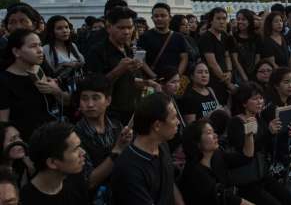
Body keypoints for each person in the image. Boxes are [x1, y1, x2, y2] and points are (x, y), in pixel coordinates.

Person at [227, 84, 291, 205]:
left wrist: (288, 135)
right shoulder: (236, 122)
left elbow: (269, 147)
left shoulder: (260, 119)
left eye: (261, 98)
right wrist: (269, 133)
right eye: (255, 99)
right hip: (247, 180)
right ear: (244, 103)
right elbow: (246, 154)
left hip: (263, 174)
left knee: (290, 199)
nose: (260, 102)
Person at [111, 93, 184, 205]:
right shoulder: (129, 169)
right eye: (174, 117)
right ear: (157, 126)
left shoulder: (162, 144)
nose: (178, 122)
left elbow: (169, 183)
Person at [86, 7, 150, 125]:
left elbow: (129, 79)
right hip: (111, 115)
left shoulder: (128, 49)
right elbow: (94, 87)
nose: (126, 32)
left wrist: (148, 83)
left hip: (133, 110)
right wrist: (118, 70)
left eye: (130, 27)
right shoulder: (97, 52)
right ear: (109, 27)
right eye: (121, 28)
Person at [0, 29, 69, 140]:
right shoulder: (4, 80)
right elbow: (3, 123)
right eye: (33, 46)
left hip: (54, 137)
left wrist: (56, 91)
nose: (40, 50)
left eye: (40, 45)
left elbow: (67, 101)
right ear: (16, 52)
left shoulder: (44, 69)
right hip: (28, 143)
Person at [74, 74, 132, 202]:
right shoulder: (74, 136)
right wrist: (117, 150)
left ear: (108, 101)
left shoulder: (117, 126)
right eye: (84, 98)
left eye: (96, 98)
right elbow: (89, 181)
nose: (89, 104)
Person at [178, 119, 252, 205]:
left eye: (214, 132)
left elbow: (245, 158)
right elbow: (226, 198)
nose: (215, 135)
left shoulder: (217, 155)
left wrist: (249, 135)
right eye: (209, 133)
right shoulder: (194, 172)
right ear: (197, 142)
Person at [20, 122, 87, 205]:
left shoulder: (76, 182)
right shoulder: (25, 200)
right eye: (75, 149)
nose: (83, 152)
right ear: (52, 163)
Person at [138, 3, 189, 78]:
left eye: (163, 16)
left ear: (170, 18)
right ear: (152, 18)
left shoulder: (178, 37)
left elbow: (184, 58)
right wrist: (154, 77)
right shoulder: (145, 37)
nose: (159, 19)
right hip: (152, 81)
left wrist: (177, 76)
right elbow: (141, 60)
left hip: (173, 82)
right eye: (156, 16)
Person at [199, 7, 235, 106]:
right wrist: (227, 83)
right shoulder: (206, 38)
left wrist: (229, 71)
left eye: (224, 18)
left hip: (226, 77)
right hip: (213, 80)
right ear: (211, 21)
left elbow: (227, 55)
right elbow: (212, 63)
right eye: (218, 19)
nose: (222, 22)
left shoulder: (224, 35)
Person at [42, 15, 85, 94]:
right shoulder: (46, 49)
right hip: (60, 91)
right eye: (59, 28)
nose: (65, 31)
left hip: (78, 88)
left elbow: (82, 62)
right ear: (51, 31)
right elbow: (49, 72)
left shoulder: (72, 45)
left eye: (66, 27)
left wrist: (74, 65)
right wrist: (64, 65)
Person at [231, 9, 261, 84]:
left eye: (243, 19)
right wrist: (245, 78)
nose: (240, 22)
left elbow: (258, 56)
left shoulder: (257, 37)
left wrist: (254, 73)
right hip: (239, 75)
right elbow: (235, 60)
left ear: (250, 21)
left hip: (254, 73)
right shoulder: (233, 38)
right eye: (238, 19)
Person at [0, 122, 34, 187]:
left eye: (19, 137)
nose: (20, 141)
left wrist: (32, 172)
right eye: (13, 139)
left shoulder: (24, 166)